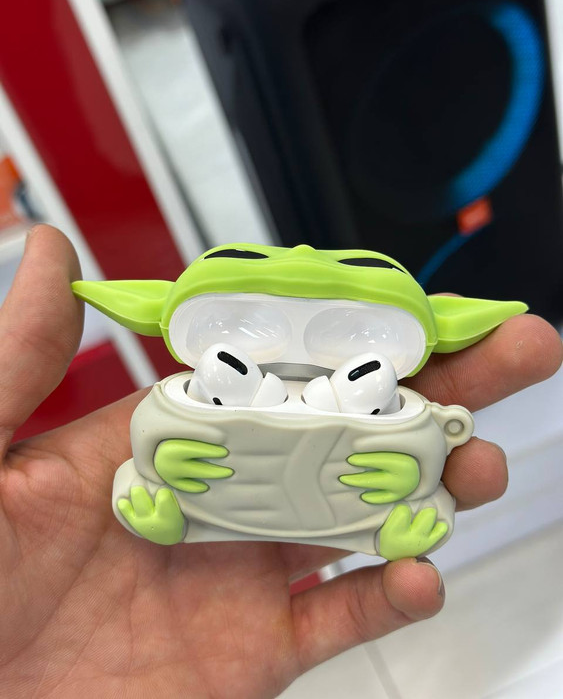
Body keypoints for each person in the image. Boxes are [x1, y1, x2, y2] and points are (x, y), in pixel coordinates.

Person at [1, 224, 561, 699]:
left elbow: (422, 455)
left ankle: (380, 491)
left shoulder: (403, 414)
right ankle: (178, 510)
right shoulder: (182, 408)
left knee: (413, 483)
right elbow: (146, 455)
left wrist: (407, 471)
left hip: (343, 494)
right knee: (143, 483)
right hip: (215, 500)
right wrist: (167, 465)